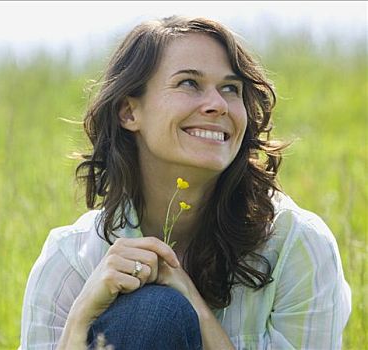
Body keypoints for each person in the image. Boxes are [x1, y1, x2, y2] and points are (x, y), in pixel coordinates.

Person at [19, 16, 351, 349]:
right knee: (152, 312)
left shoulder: (298, 245)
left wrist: (193, 304)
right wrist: (81, 316)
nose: (218, 105)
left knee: (160, 311)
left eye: (230, 89)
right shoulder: (70, 260)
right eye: (189, 83)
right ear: (129, 112)